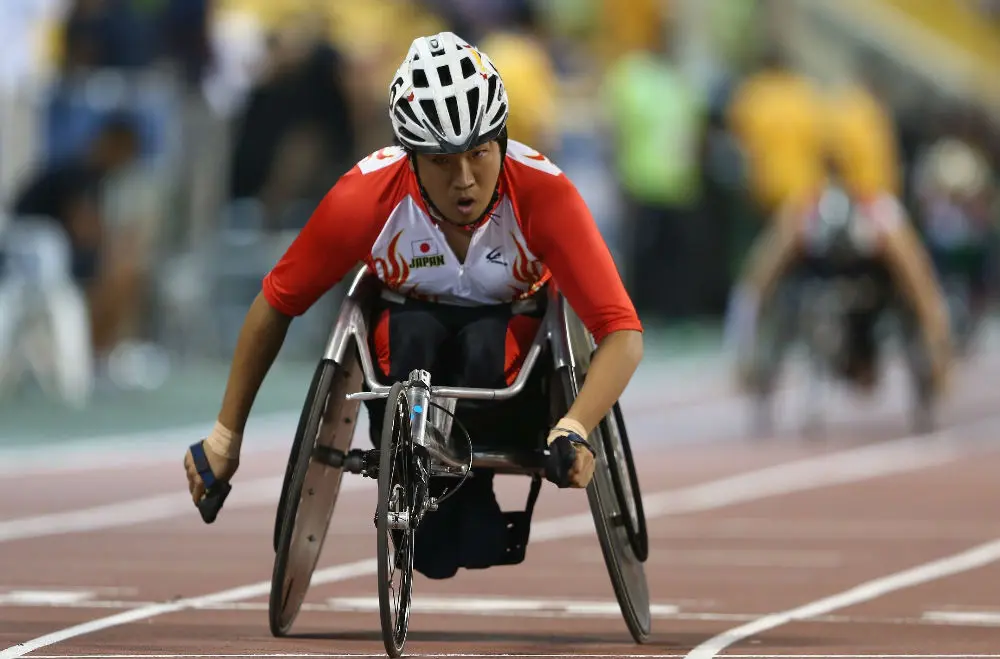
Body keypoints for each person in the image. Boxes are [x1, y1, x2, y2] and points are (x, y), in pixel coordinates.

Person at [183, 32, 644, 578]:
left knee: (481, 347)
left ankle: (475, 492)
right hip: (406, 355)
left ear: (500, 138)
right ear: (411, 158)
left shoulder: (544, 194)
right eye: (443, 162)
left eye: (479, 153)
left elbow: (621, 331)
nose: (466, 180)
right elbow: (277, 303)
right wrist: (224, 438)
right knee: (415, 332)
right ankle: (413, 481)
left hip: (509, 366)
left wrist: (575, 426)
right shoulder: (366, 197)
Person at [726, 157, 952, 396]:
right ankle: (770, 364)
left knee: (907, 298)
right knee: (782, 291)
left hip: (874, 284)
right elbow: (757, 283)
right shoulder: (801, 217)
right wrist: (744, 348)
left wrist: (937, 346)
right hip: (817, 274)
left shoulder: (883, 219)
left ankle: (875, 359)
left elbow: (921, 287)